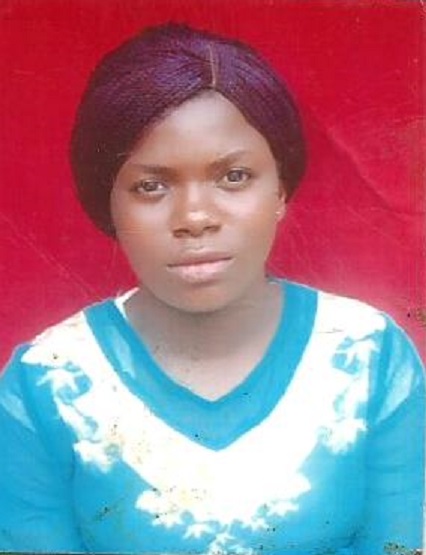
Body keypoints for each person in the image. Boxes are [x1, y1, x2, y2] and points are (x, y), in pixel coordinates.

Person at [0, 23, 424, 555]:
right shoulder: (46, 384)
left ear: (281, 189)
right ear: (108, 204)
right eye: (150, 186)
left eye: (234, 177)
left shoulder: (368, 357)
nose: (195, 217)